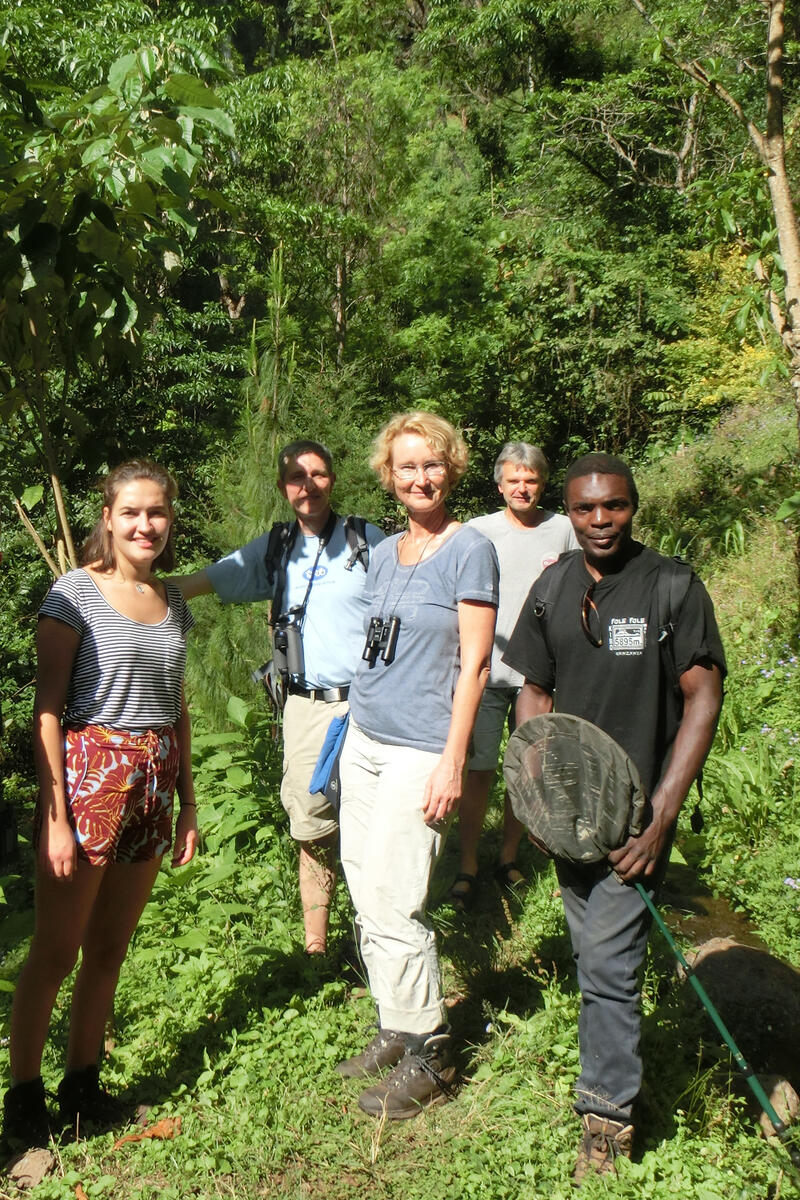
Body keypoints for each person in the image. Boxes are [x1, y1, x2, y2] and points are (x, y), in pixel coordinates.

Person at [503, 452, 725, 1184]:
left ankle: (606, 1120)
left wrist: (661, 817)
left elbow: (702, 697)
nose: (601, 520)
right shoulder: (553, 587)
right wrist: (536, 792)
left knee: (605, 964)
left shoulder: (671, 586)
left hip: (637, 822)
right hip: (572, 815)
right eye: (586, 508)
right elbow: (534, 691)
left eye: (615, 505)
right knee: (596, 955)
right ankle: (616, 1079)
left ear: (634, 506)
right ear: (567, 511)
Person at [3, 460, 198, 1149]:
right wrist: (55, 819)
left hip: (155, 780)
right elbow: (47, 710)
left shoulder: (173, 601)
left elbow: (177, 706)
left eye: (157, 512)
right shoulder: (73, 594)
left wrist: (189, 804)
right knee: (55, 951)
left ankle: (82, 1087)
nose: (146, 525)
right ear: (108, 518)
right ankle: (24, 1105)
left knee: (110, 947)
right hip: (90, 780)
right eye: (132, 513)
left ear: (169, 520)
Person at [335, 411, 499, 1119]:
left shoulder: (471, 549)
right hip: (365, 738)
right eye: (407, 466)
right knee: (363, 882)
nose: (420, 478)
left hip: (422, 746)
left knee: (396, 895)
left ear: (451, 469)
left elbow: (477, 664)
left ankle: (432, 1048)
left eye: (432, 464)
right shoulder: (383, 553)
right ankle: (395, 1023)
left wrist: (452, 761)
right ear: (388, 475)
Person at [173, 441, 384, 956]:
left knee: (373, 823)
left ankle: (376, 936)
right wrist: (125, 588)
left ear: (333, 479)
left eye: (318, 474)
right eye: (296, 477)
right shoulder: (276, 547)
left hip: (369, 703)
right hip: (306, 707)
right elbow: (201, 581)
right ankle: (316, 947)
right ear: (282, 486)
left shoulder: (366, 539)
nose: (308, 485)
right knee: (311, 825)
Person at [450, 441, 578, 908]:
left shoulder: (564, 530)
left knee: (527, 771)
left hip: (539, 677)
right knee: (478, 770)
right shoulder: (477, 532)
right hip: (484, 673)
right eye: (514, 480)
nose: (522, 488)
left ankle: (508, 856)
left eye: (531, 480)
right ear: (500, 485)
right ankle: (467, 863)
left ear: (542, 484)